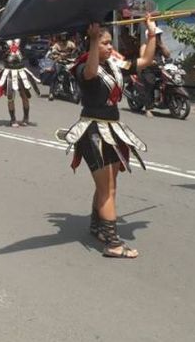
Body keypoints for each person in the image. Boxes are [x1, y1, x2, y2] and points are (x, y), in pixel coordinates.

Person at [56, 15, 157, 259]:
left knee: (109, 186)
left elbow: (144, 61)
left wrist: (153, 33)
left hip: (112, 129)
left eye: (110, 42)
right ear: (92, 44)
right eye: (105, 43)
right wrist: (92, 42)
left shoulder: (114, 64)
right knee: (107, 188)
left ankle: (96, 226)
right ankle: (113, 243)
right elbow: (91, 73)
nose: (110, 46)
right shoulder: (82, 67)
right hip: (92, 130)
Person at [0, 38, 41, 127]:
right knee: (10, 97)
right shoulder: (4, 46)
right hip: (9, 73)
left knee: (24, 96)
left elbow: (29, 52)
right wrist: (5, 51)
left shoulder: (22, 45)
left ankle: (26, 118)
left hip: (21, 72)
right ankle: (13, 120)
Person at [138, 26, 171, 118]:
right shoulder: (145, 46)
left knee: (169, 80)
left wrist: (162, 45)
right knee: (150, 84)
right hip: (148, 70)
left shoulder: (160, 46)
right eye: (156, 36)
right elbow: (143, 57)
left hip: (159, 69)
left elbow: (168, 55)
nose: (158, 37)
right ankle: (148, 109)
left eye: (159, 36)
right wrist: (151, 61)